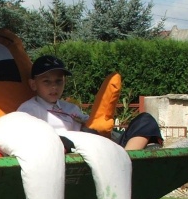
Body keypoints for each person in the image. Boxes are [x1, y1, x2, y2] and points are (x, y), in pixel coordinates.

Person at [18, 55, 163, 150]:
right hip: (71, 152)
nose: (54, 87)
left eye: (58, 81)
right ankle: (126, 162)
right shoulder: (29, 110)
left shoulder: (71, 108)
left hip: (98, 146)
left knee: (145, 120)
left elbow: (93, 125)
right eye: (46, 81)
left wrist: (99, 128)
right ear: (33, 84)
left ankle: (127, 158)